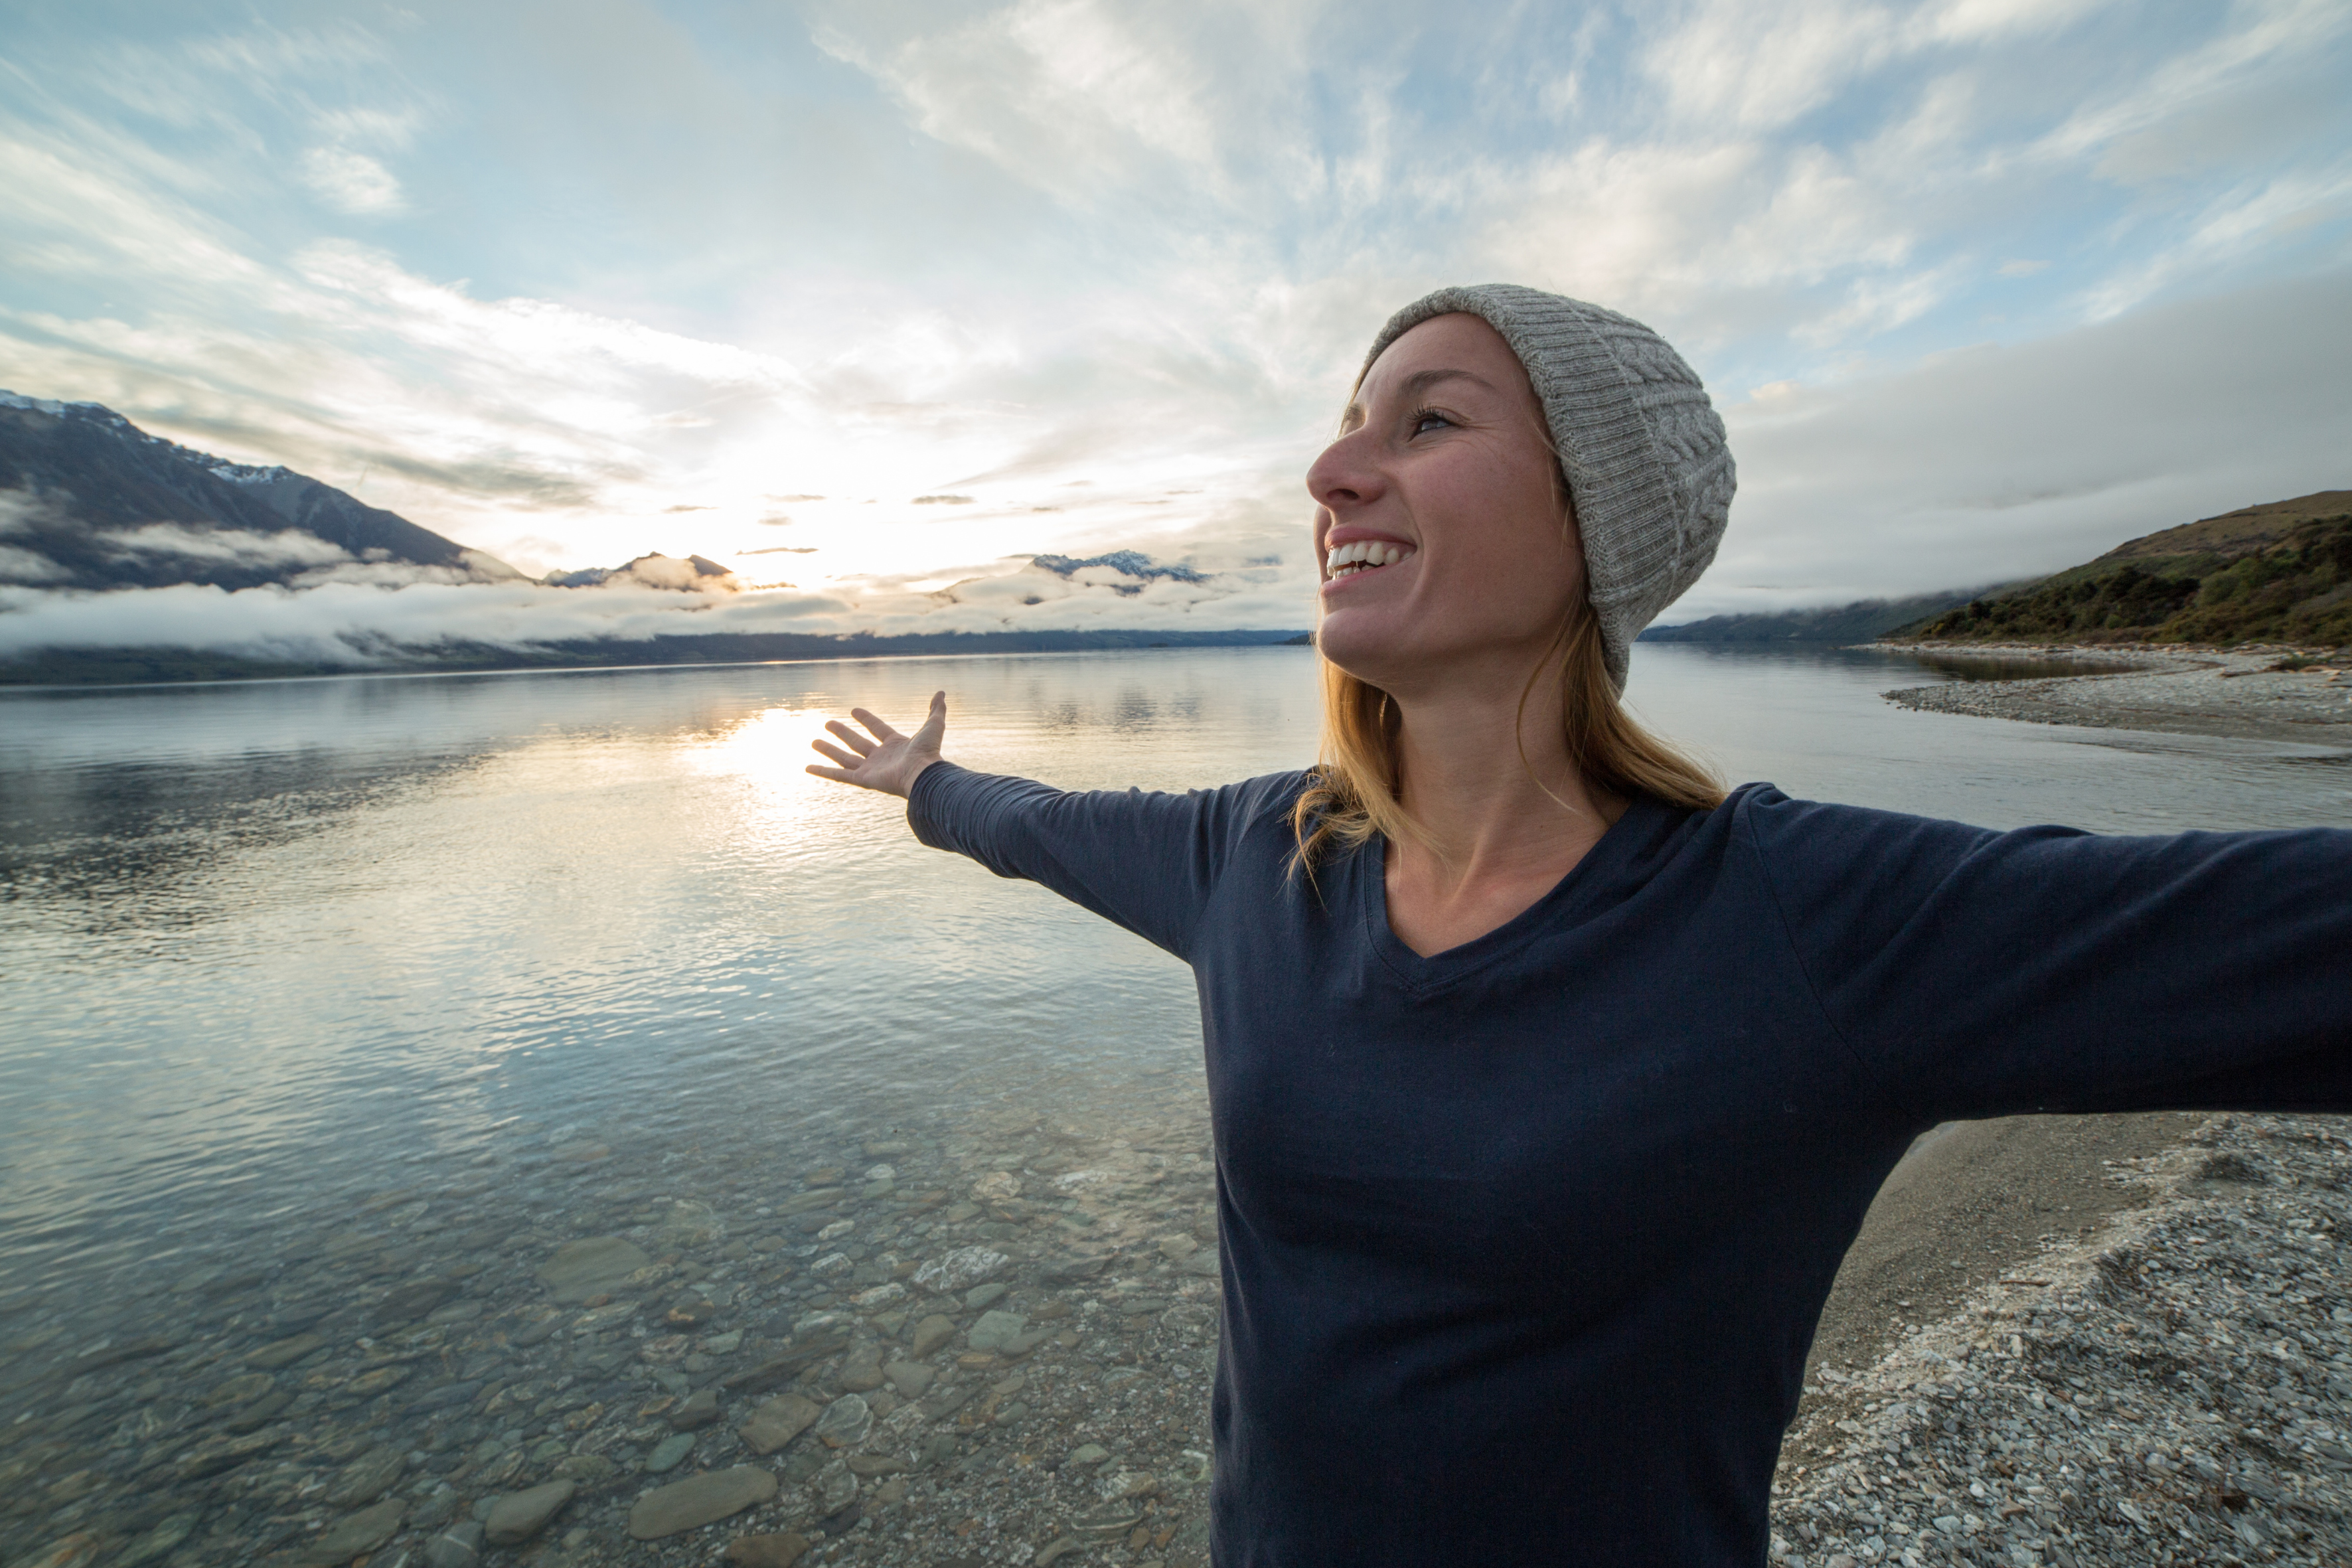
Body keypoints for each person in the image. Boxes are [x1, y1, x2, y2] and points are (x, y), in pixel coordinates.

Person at [807, 284, 2351, 1566]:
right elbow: (1042, 830)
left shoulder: (1804, 922)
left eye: (1428, 419)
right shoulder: (1256, 856)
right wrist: (927, 782)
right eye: (1347, 429)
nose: (1332, 475)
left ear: (1593, 516)